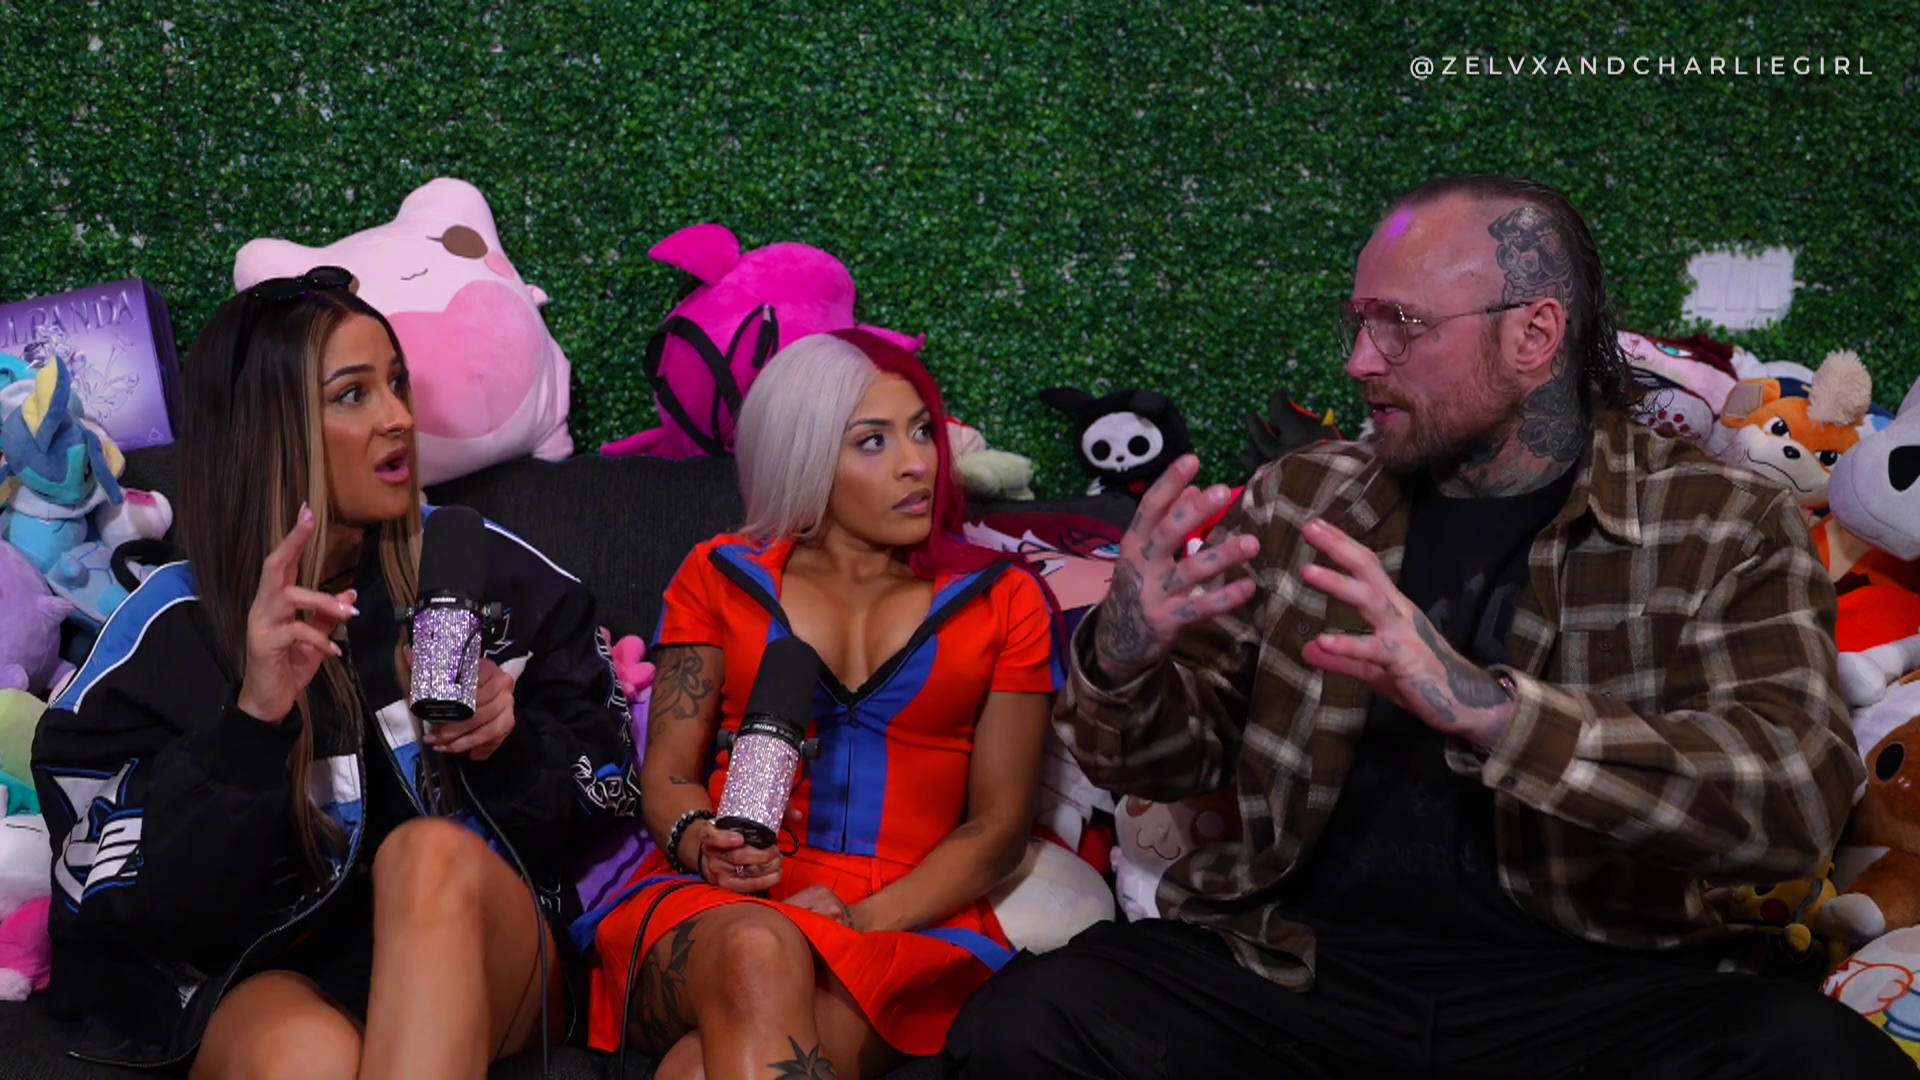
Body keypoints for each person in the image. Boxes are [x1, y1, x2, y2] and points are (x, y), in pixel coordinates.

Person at [944, 176, 1910, 1078]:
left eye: (1400, 325)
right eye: (1359, 321)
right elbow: (1166, 763)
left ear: (1534, 335)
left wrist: (1496, 715)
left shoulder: (1723, 520)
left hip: (1599, 986)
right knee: (1026, 1026)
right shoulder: (1302, 498)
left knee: (1815, 1057)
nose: (1359, 360)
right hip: (1302, 972)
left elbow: (1793, 807)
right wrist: (1123, 655)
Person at [31, 267, 638, 1078]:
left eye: (397, 383)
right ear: (265, 430)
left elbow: (610, 793)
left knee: (428, 855)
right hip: (267, 975)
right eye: (353, 394)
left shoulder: (496, 573)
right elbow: (122, 911)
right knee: (304, 1055)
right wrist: (251, 726)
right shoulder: (166, 636)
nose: (398, 418)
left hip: (489, 952)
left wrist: (510, 746)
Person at [578, 329, 1058, 1080]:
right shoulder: (718, 575)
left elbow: (998, 827)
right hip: (715, 907)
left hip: (902, 923)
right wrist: (705, 843)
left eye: (922, 431)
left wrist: (861, 918)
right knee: (757, 945)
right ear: (802, 455)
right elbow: (668, 774)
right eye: (873, 441)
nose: (918, 463)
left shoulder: (1005, 601)